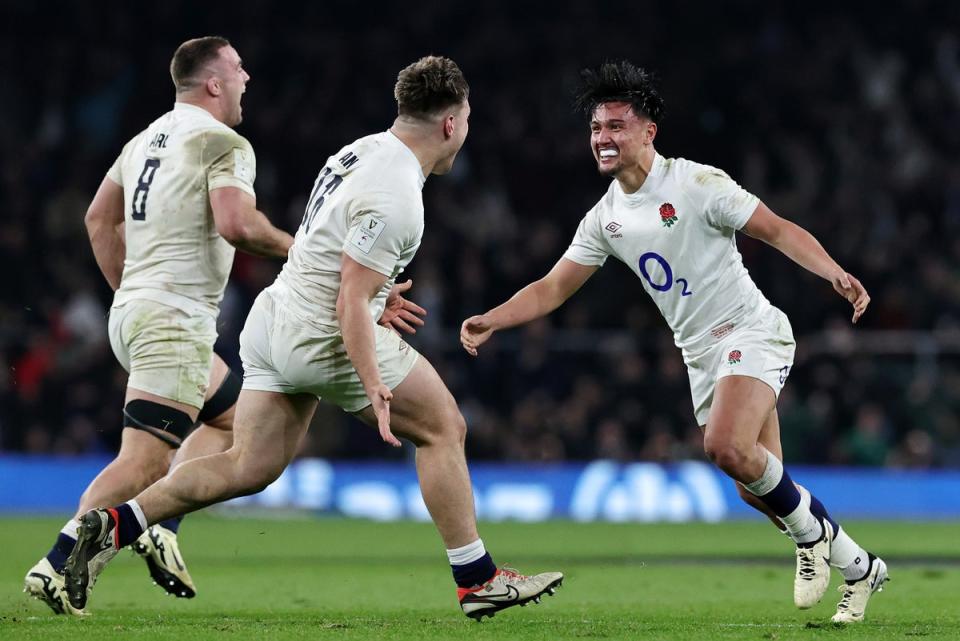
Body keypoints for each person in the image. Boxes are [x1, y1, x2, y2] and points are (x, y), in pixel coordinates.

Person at [63, 55, 563, 621]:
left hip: (273, 319)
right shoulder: (399, 193)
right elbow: (349, 298)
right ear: (451, 123)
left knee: (249, 465)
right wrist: (373, 381)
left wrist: (376, 295)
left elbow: (325, 250)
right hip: (324, 333)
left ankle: (112, 524)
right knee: (444, 425)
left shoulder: (358, 151)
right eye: (467, 119)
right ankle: (478, 580)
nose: (466, 132)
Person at [460, 61, 886, 624]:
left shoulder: (696, 183)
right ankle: (859, 567)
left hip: (750, 330)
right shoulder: (605, 218)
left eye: (615, 126)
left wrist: (832, 272)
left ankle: (815, 537)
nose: (602, 139)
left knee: (725, 448)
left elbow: (777, 228)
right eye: (595, 129)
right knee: (754, 488)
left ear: (647, 132)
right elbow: (553, 287)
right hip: (700, 356)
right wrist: (494, 318)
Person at [24, 36, 295, 616]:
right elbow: (238, 225)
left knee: (232, 418)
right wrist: (303, 253)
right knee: (144, 461)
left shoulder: (144, 138)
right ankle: (57, 559)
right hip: (172, 321)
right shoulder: (225, 143)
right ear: (214, 84)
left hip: (137, 313)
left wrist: (130, 291)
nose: (247, 77)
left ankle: (161, 526)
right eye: (239, 69)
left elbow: (99, 218)